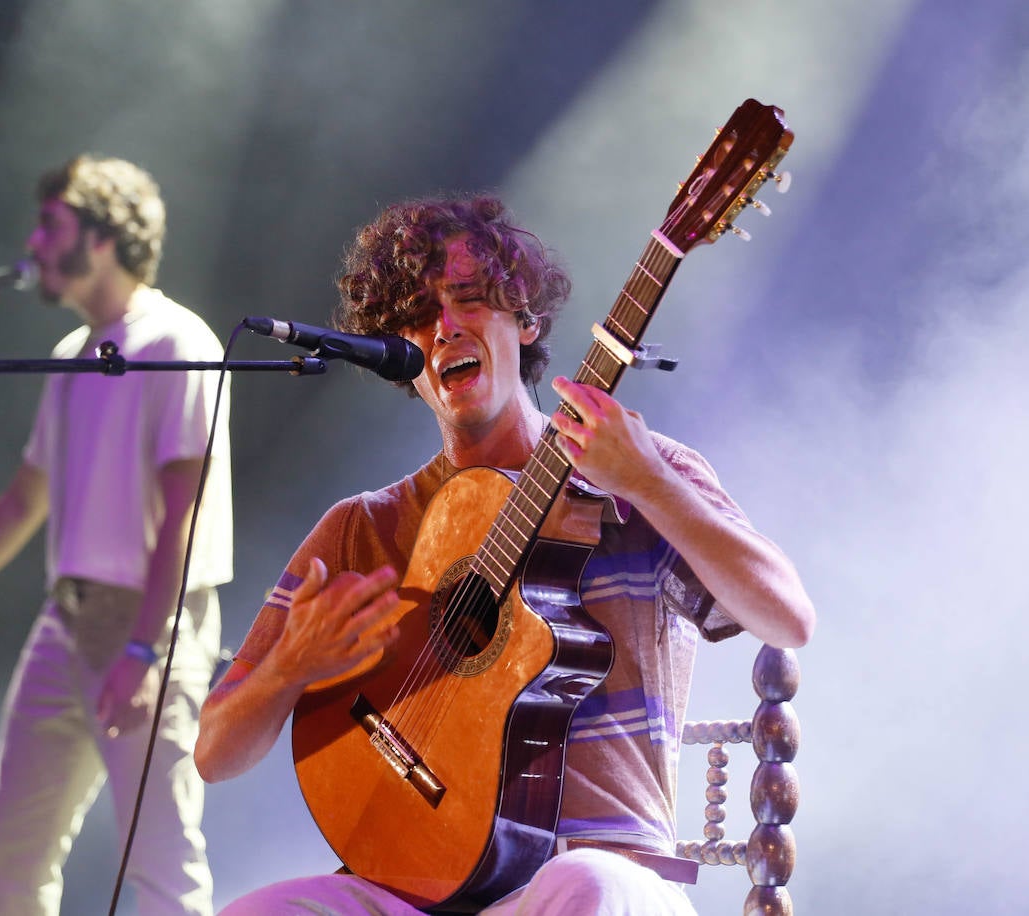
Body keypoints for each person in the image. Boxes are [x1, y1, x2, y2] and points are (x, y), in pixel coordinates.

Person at [194, 195, 814, 915]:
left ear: (525, 316)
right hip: (408, 893)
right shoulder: (363, 528)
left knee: (583, 887)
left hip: (604, 879)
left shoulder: (637, 469)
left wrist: (647, 482)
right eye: (416, 317)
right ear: (398, 354)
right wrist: (288, 668)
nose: (444, 327)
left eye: (465, 299)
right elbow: (213, 753)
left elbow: (788, 619)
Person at [0, 155, 233, 916]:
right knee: (12, 865)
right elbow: (23, 499)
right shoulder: (70, 356)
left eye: (51, 223)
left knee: (162, 867)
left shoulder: (175, 340)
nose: (33, 242)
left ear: (100, 237)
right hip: (63, 618)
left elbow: (183, 512)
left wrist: (141, 647)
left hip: (149, 622)